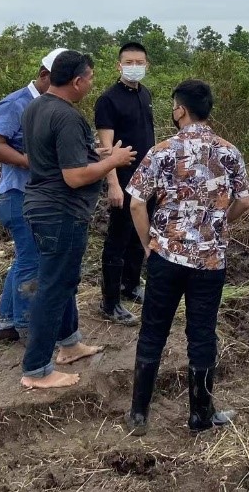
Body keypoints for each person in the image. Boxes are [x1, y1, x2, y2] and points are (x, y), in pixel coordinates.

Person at [123, 79, 249, 434]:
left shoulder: (162, 151)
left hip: (166, 257)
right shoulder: (229, 152)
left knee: (153, 331)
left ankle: (138, 414)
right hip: (210, 261)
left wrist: (149, 241)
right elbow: (244, 200)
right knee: (202, 334)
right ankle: (200, 415)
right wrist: (218, 223)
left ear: (180, 109)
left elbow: (136, 202)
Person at [19, 50, 137, 390]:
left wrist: (98, 154)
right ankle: (37, 369)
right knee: (54, 287)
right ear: (76, 81)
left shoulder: (36, 108)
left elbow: (58, 156)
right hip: (60, 212)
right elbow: (73, 176)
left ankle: (70, 344)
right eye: (89, 79)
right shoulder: (67, 117)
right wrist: (113, 160)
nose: (90, 85)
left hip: (41, 206)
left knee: (62, 280)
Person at [0, 46, 66, 343]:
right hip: (19, 195)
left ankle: (5, 323)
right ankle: (29, 327)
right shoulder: (16, 104)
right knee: (33, 260)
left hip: (35, 196)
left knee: (24, 258)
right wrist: (29, 161)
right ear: (44, 76)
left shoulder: (51, 106)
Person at [94, 41, 155, 326]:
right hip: (124, 180)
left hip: (147, 180)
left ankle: (130, 285)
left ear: (147, 64)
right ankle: (110, 302)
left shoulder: (146, 95)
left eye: (138, 62)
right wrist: (113, 184)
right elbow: (106, 148)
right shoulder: (108, 100)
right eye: (128, 62)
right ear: (119, 66)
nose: (134, 67)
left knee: (138, 235)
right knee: (117, 240)